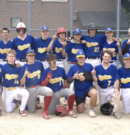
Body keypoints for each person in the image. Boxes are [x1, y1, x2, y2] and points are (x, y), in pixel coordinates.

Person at [19, 49, 53, 119]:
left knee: (49, 91)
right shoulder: (23, 67)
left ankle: (45, 111)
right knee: (31, 111)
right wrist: (24, 75)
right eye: (30, 56)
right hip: (30, 88)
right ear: (26, 57)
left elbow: (43, 75)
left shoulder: (39, 64)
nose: (31, 57)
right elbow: (22, 83)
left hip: (39, 86)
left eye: (33, 55)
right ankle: (32, 104)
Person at [67, 49, 97, 117]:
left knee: (94, 93)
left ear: (84, 57)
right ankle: (83, 102)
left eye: (82, 56)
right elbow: (68, 80)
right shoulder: (73, 67)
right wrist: (73, 77)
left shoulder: (89, 66)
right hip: (79, 90)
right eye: (79, 56)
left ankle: (91, 110)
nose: (80, 58)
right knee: (80, 111)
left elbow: (94, 79)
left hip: (88, 87)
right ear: (76, 57)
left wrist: (88, 77)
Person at [0, 49, 29, 116]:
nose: (11, 57)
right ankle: (16, 103)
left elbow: (21, 78)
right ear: (6, 58)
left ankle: (21, 109)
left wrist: (22, 85)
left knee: (26, 93)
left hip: (17, 88)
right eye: (9, 56)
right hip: (8, 90)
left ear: (15, 58)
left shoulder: (19, 67)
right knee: (9, 110)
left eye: (13, 56)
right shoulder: (3, 67)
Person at [93, 50, 121, 119]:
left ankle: (115, 111)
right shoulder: (97, 67)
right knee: (103, 110)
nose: (107, 58)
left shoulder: (113, 67)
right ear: (102, 57)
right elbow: (96, 80)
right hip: (101, 89)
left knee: (117, 95)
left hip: (110, 88)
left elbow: (117, 79)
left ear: (110, 58)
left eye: (108, 57)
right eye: (105, 56)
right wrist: (93, 75)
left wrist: (116, 89)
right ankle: (109, 101)